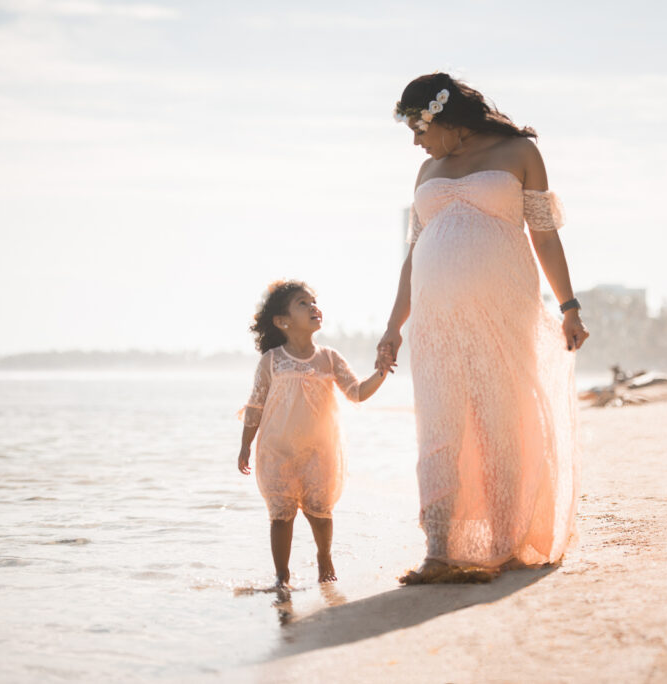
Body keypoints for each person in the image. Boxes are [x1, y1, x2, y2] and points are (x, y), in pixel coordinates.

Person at [375, 73, 589, 584]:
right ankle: (439, 550)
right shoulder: (427, 170)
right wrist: (392, 328)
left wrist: (569, 305)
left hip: (502, 308)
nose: (414, 141)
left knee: (499, 422)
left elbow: (544, 235)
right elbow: (413, 257)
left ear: (443, 118)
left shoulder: (518, 153)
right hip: (435, 318)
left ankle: (504, 543)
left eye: (418, 127)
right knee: (439, 425)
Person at [239, 280, 387, 586]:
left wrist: (382, 371)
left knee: (320, 512)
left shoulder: (329, 358)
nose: (313, 307)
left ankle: (324, 555)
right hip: (277, 449)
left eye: (313, 301)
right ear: (282, 321)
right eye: (302, 303)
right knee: (281, 514)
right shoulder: (271, 361)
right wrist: (244, 446)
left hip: (319, 450)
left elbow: (357, 392)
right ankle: (282, 575)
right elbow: (255, 407)